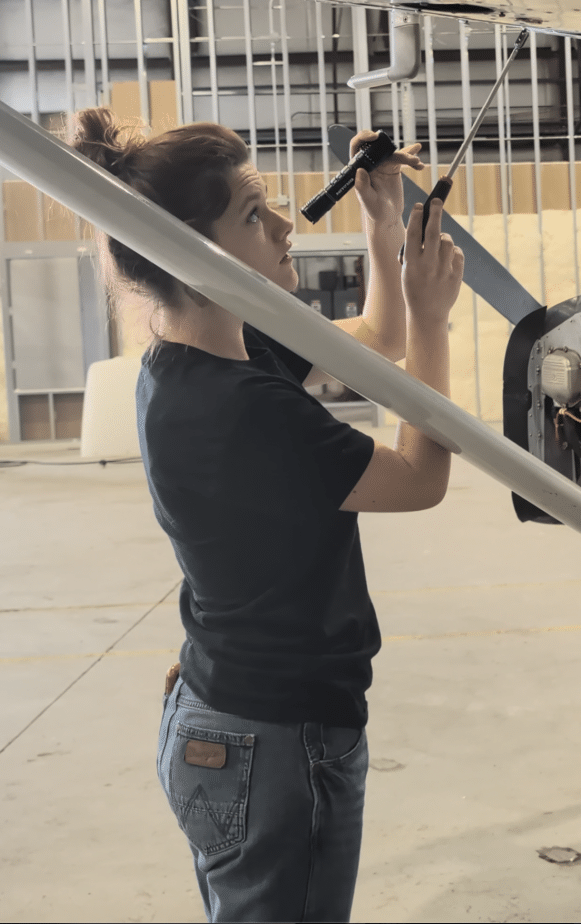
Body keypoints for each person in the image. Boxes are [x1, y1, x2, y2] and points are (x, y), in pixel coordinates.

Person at [71, 110, 464, 924]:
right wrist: (435, 318)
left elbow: (376, 340)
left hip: (228, 716)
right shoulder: (241, 405)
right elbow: (418, 479)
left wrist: (382, 223)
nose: (286, 224)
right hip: (274, 740)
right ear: (192, 251)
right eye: (253, 214)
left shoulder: (205, 359)